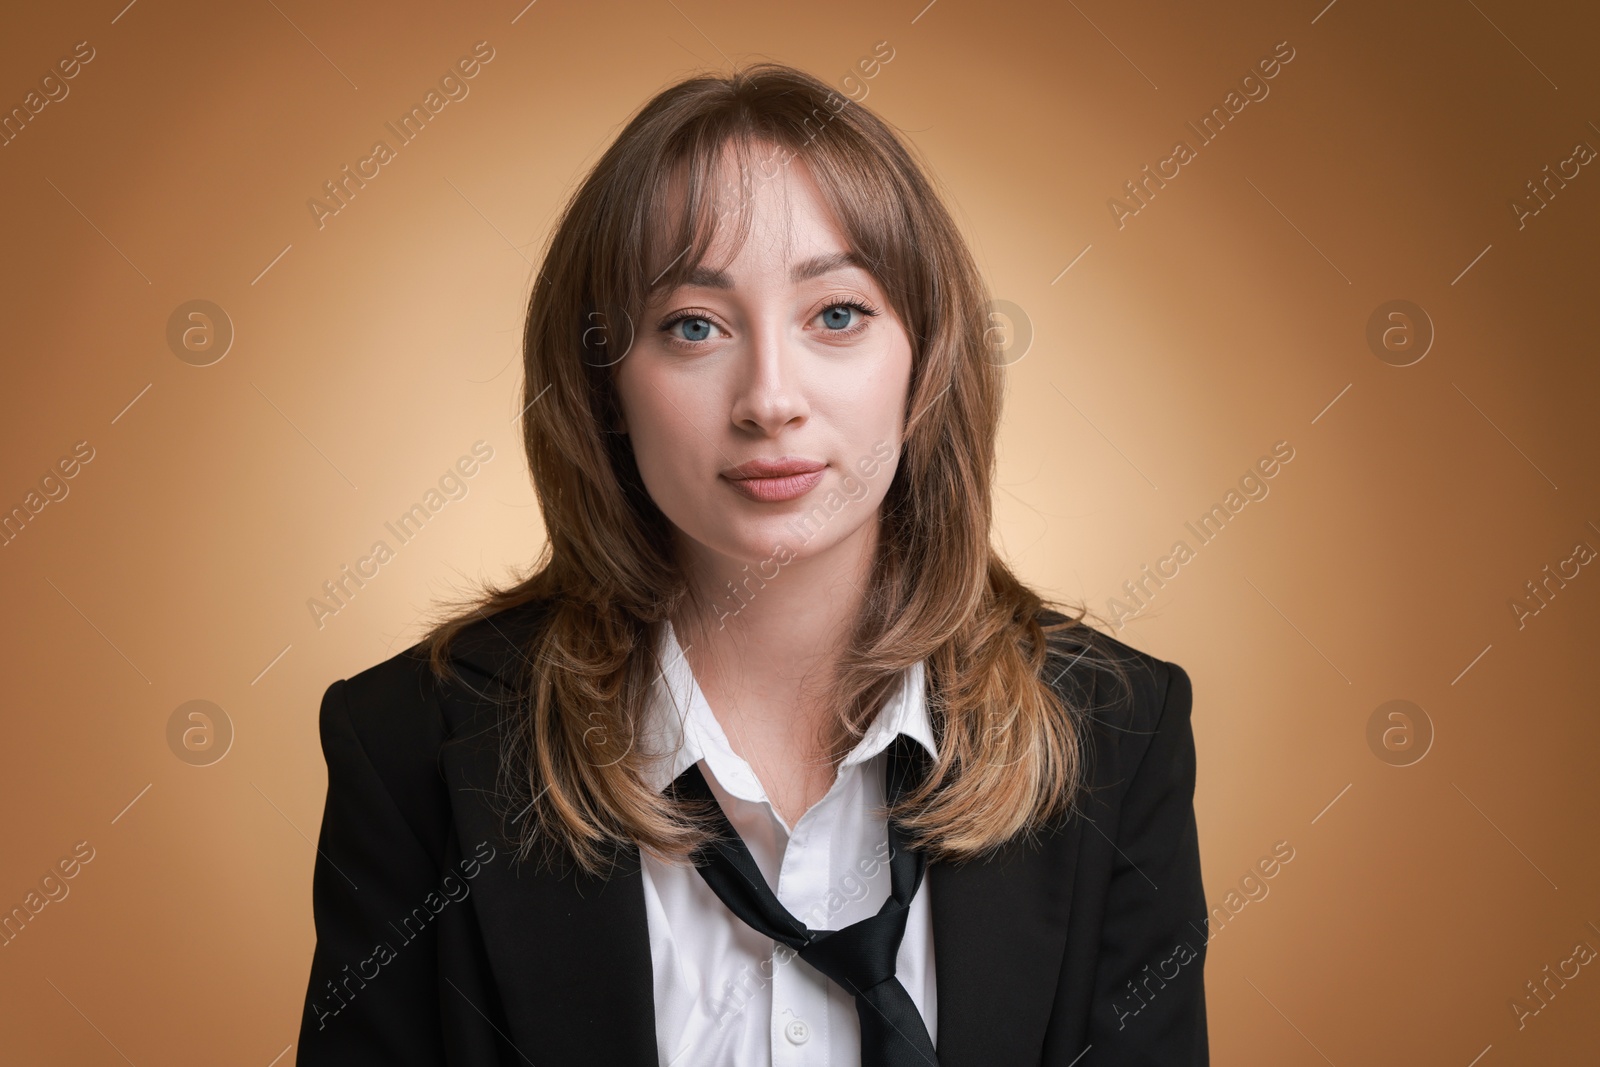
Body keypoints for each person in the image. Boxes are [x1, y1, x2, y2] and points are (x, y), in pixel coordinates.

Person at [295, 61, 1208, 1066]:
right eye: (694, 325)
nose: (770, 398)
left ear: (925, 359)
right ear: (605, 384)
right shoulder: (412, 749)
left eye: (837, 315)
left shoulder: (1118, 730)